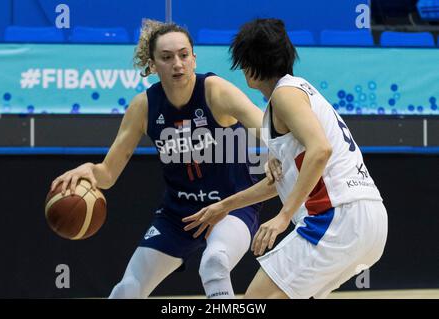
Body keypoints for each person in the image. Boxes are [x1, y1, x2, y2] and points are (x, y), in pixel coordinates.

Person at [50, 19, 267, 299]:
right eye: (167, 57)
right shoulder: (144, 106)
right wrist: (89, 170)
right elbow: (108, 174)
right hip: (179, 214)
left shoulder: (215, 91)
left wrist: (277, 156)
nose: (177, 63)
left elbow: (266, 129)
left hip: (230, 205)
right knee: (127, 290)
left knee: (214, 264)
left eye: (183, 55)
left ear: (193, 58)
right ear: (152, 65)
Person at [183, 18, 388, 299]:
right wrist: (224, 206)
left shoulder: (285, 95)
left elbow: (320, 150)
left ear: (251, 66)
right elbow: (279, 182)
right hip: (370, 221)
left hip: (338, 217)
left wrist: (283, 217)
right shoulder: (298, 94)